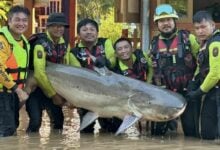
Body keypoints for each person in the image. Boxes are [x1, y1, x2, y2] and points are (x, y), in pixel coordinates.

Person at [148, 4, 199, 136]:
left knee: (191, 133)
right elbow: (151, 70)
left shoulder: (189, 38)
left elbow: (201, 63)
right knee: (157, 135)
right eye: (161, 21)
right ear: (157, 24)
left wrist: (195, 82)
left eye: (169, 20)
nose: (166, 23)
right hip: (163, 95)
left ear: (174, 20)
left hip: (187, 92)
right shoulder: (153, 44)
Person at [25, 13, 76, 132]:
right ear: (48, 27)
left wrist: (70, 96)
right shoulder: (40, 44)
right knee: (35, 123)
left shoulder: (65, 45)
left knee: (59, 124)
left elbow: (67, 69)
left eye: (62, 26)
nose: (59, 29)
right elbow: (39, 73)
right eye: (55, 26)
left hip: (55, 88)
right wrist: (54, 95)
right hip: (36, 89)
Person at [70, 18, 116, 133]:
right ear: (78, 34)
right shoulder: (73, 52)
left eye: (92, 29)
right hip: (87, 95)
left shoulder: (105, 42)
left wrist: (106, 61)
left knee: (110, 130)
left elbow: (113, 59)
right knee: (86, 132)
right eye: (84, 30)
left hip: (109, 94)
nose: (89, 32)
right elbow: (77, 74)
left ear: (97, 32)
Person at [187, 10, 220, 140]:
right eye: (197, 28)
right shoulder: (205, 44)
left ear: (213, 25)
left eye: (203, 27)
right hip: (212, 92)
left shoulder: (216, 43)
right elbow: (201, 67)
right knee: (207, 133)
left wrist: (199, 92)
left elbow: (216, 74)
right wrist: (193, 82)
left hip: (216, 89)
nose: (200, 31)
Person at [0, 5, 30, 137]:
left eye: (24, 20)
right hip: (3, 93)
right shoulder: (3, 40)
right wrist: (17, 90)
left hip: (12, 93)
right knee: (7, 129)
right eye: (17, 20)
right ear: (9, 21)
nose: (21, 23)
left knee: (13, 127)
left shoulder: (24, 41)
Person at [112, 37, 153, 132]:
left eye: (126, 47)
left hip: (147, 94)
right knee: (116, 128)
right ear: (116, 54)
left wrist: (148, 85)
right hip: (127, 99)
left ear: (132, 49)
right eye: (119, 49)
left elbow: (151, 69)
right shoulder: (115, 69)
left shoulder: (142, 56)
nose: (123, 51)